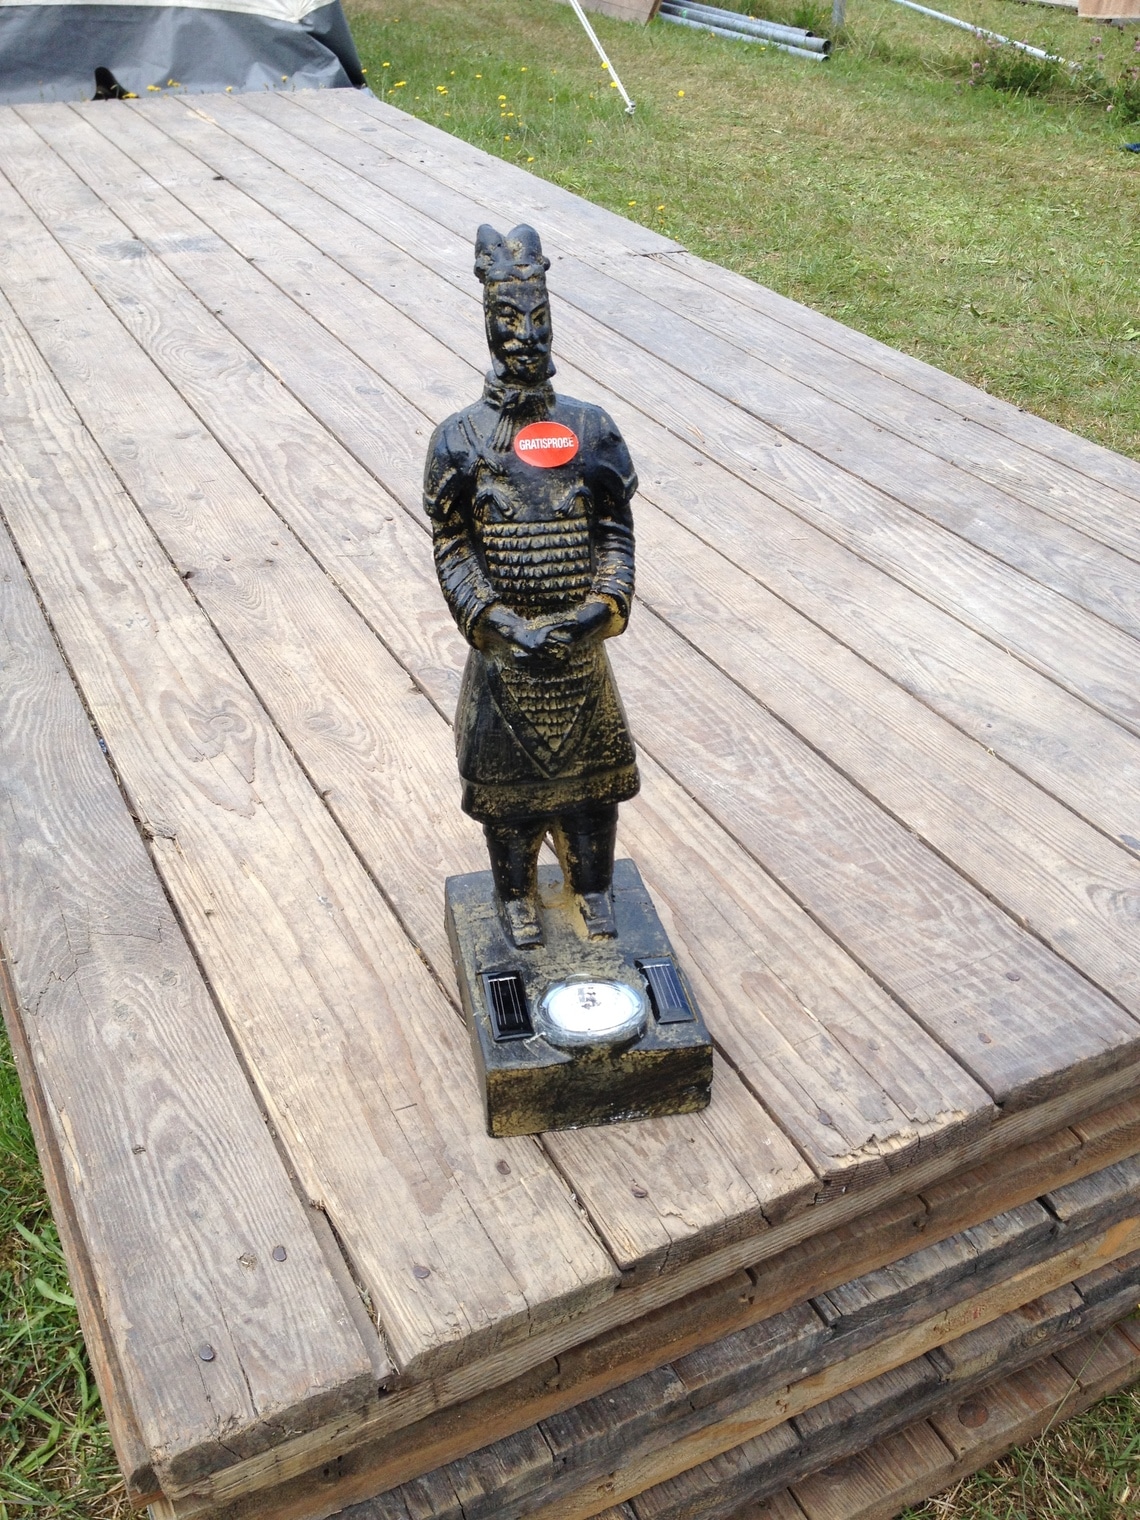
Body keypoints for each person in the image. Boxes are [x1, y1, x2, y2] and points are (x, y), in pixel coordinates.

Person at [423, 223, 640, 948]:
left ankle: (594, 889)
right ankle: (513, 896)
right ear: (488, 320)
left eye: (539, 318)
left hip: (579, 652)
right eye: (509, 319)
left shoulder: (590, 427)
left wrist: (598, 610)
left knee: (593, 793)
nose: (526, 336)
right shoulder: (459, 438)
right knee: (507, 800)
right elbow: (453, 543)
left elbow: (613, 529)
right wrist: (498, 622)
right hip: (506, 657)